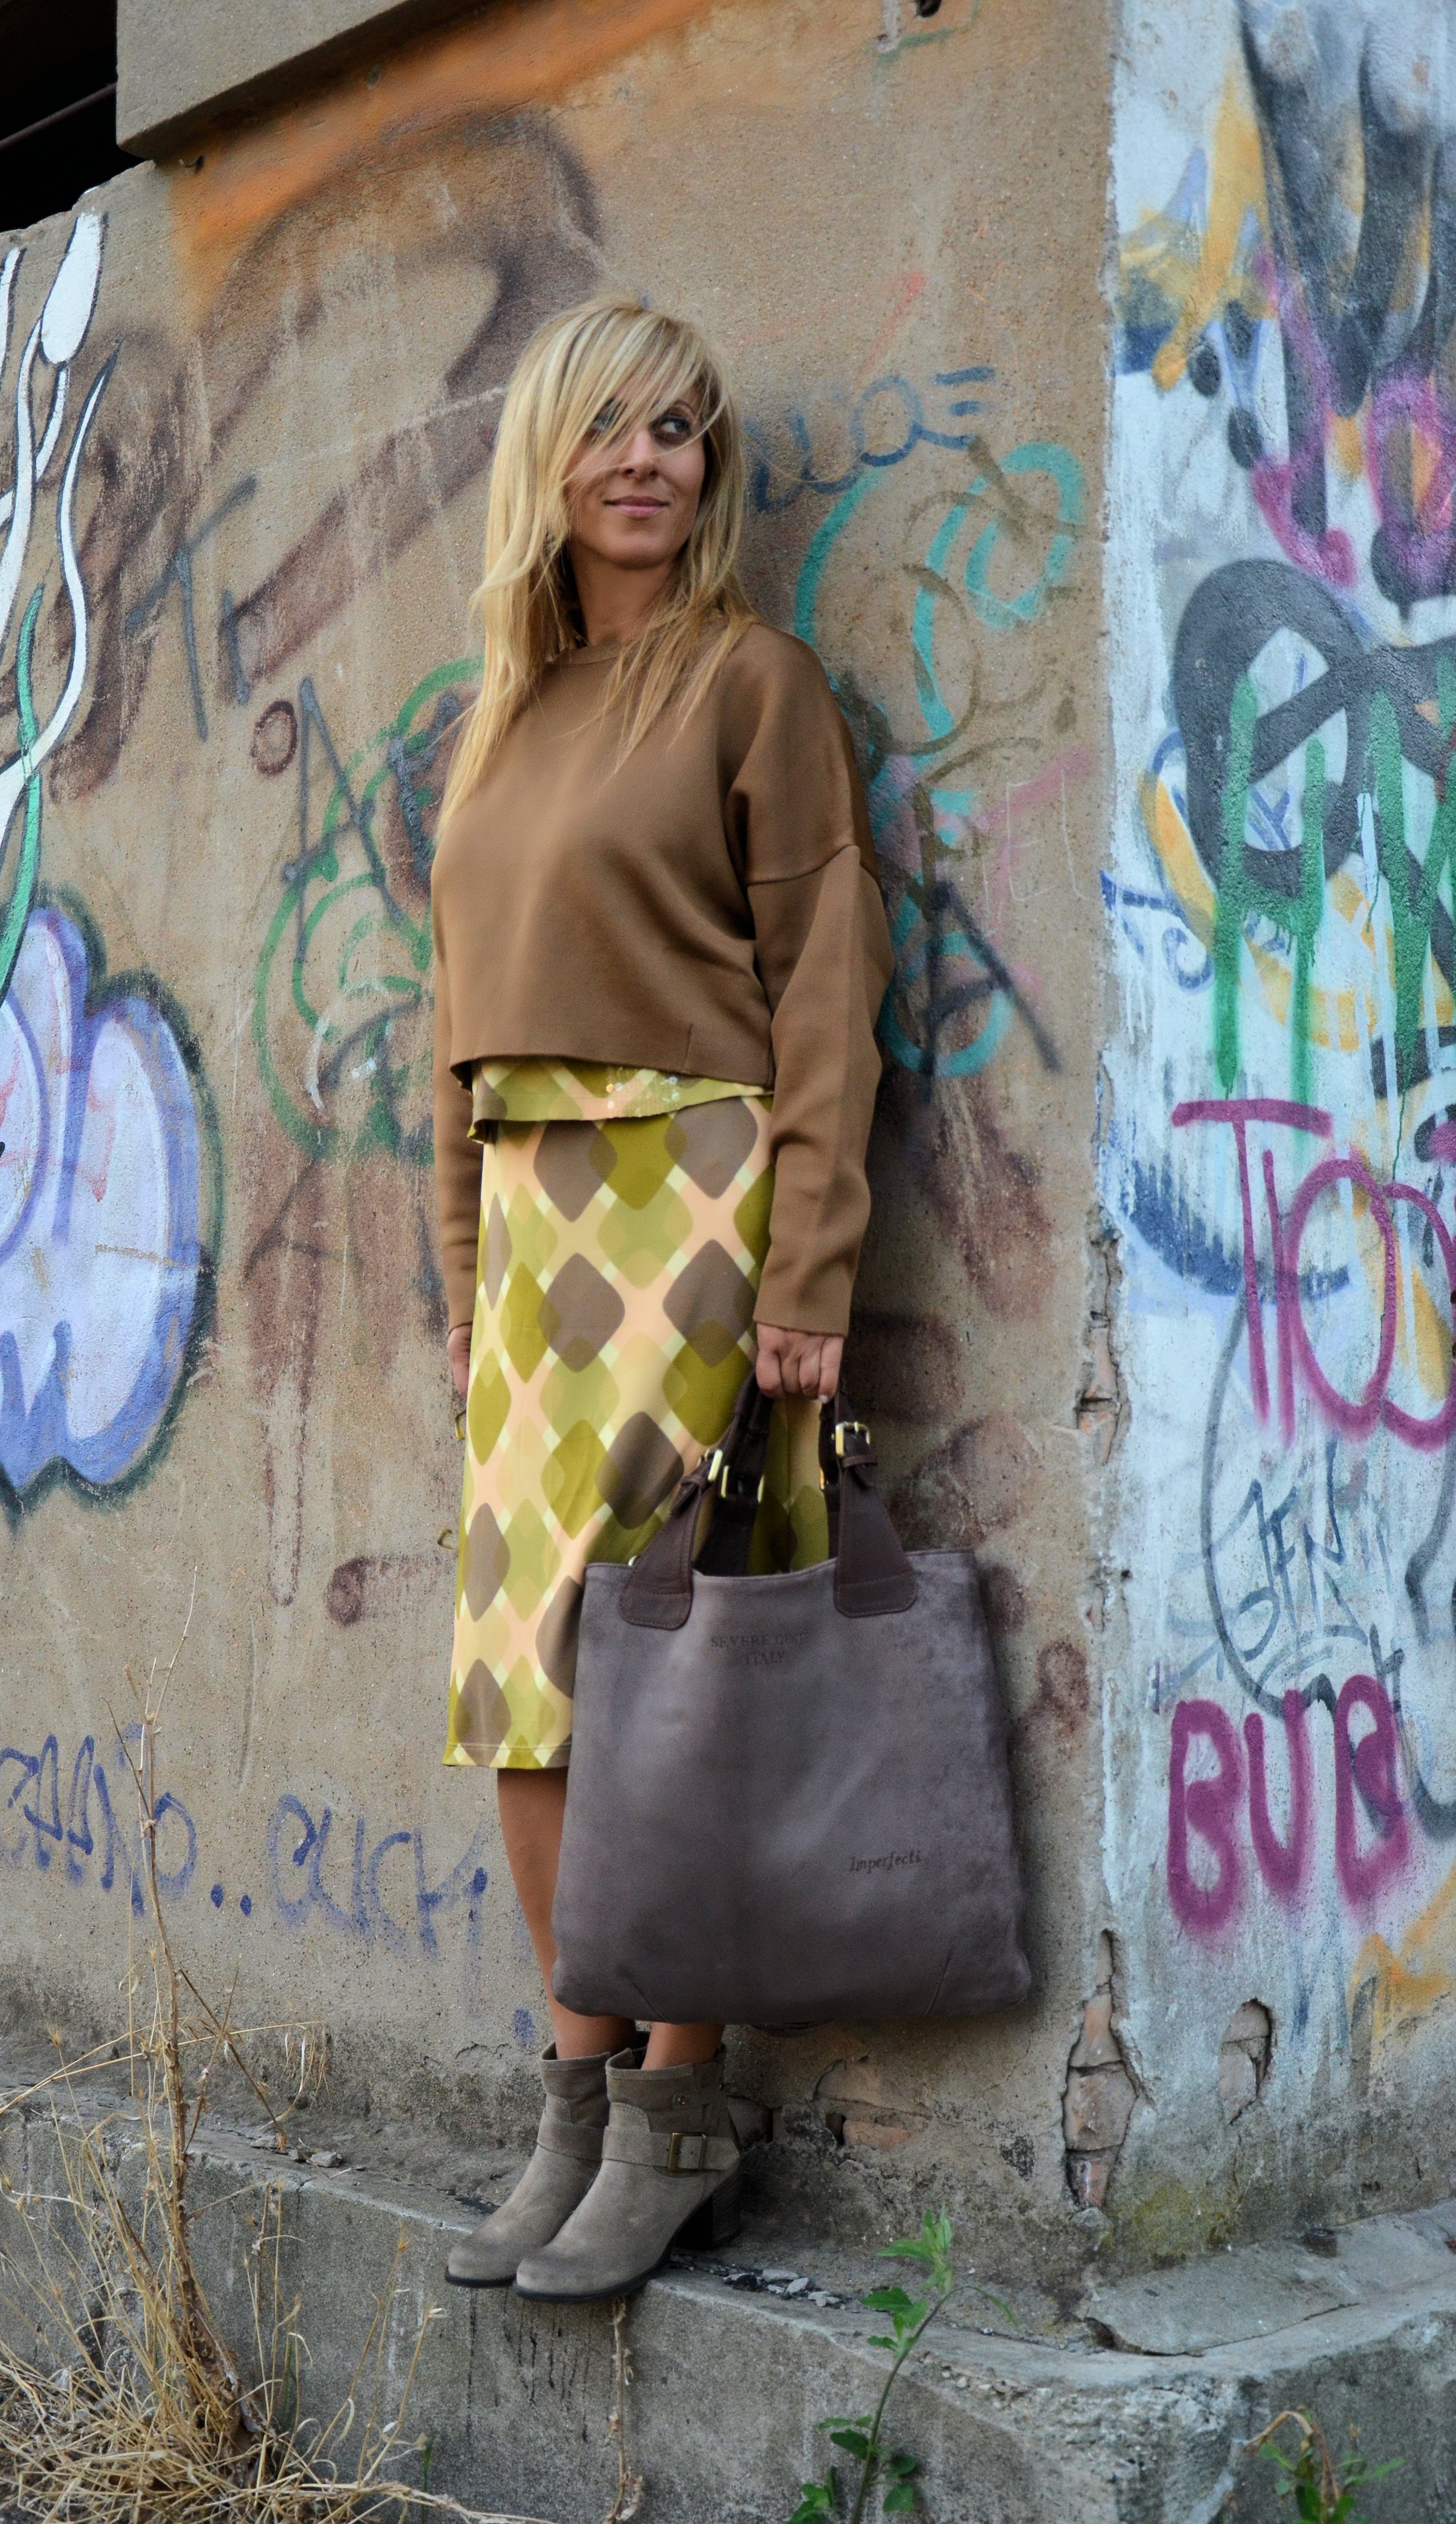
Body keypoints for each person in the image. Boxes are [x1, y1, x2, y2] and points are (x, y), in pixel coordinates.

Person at [429, 297, 892, 2305]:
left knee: (674, 1671)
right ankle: (578, 2086)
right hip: (535, 1223)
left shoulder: (749, 684)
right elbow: (451, 1039)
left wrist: (810, 1263)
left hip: (694, 1203)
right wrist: (469, 1278)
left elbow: (828, 985)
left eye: (682, 429)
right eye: (610, 423)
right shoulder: (503, 719)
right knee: (519, 1688)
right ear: (546, 454)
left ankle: (680, 2108)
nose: (647, 457)